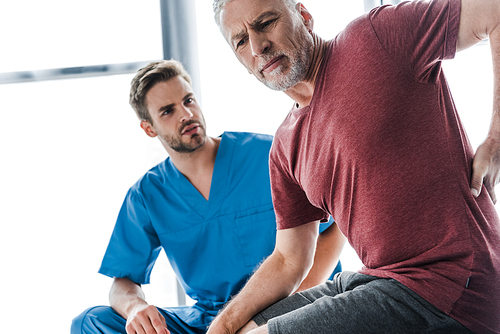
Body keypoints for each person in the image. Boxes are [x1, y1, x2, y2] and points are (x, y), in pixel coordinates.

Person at [207, 0, 500, 333]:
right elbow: (290, 260)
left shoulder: (377, 36)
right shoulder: (285, 148)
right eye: (241, 42)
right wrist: (223, 325)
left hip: (450, 286)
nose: (259, 46)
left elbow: (494, 11)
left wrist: (497, 137)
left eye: (266, 23)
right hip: (376, 281)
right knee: (243, 327)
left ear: (304, 16)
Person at [70, 59, 344, 334]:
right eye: (167, 111)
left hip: (289, 303)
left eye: (188, 100)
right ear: (149, 128)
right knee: (91, 321)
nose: (186, 114)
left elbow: (334, 230)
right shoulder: (147, 195)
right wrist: (135, 308)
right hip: (210, 320)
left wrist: (293, 301)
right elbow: (122, 282)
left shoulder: (267, 155)